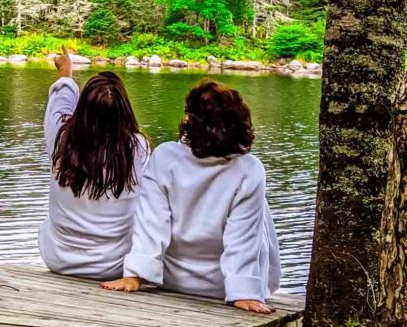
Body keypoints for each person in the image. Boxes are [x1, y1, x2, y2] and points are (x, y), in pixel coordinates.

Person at [101, 79, 281, 314]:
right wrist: (242, 291)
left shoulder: (165, 157)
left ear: (190, 120)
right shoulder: (249, 168)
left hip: (173, 280)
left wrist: (136, 275)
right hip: (222, 286)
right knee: (260, 218)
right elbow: (243, 237)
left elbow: (152, 223)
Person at [38, 48, 150, 279]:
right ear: (124, 111)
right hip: (112, 265)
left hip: (57, 258)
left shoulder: (61, 138)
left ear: (83, 110)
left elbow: (60, 102)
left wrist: (66, 73)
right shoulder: (138, 148)